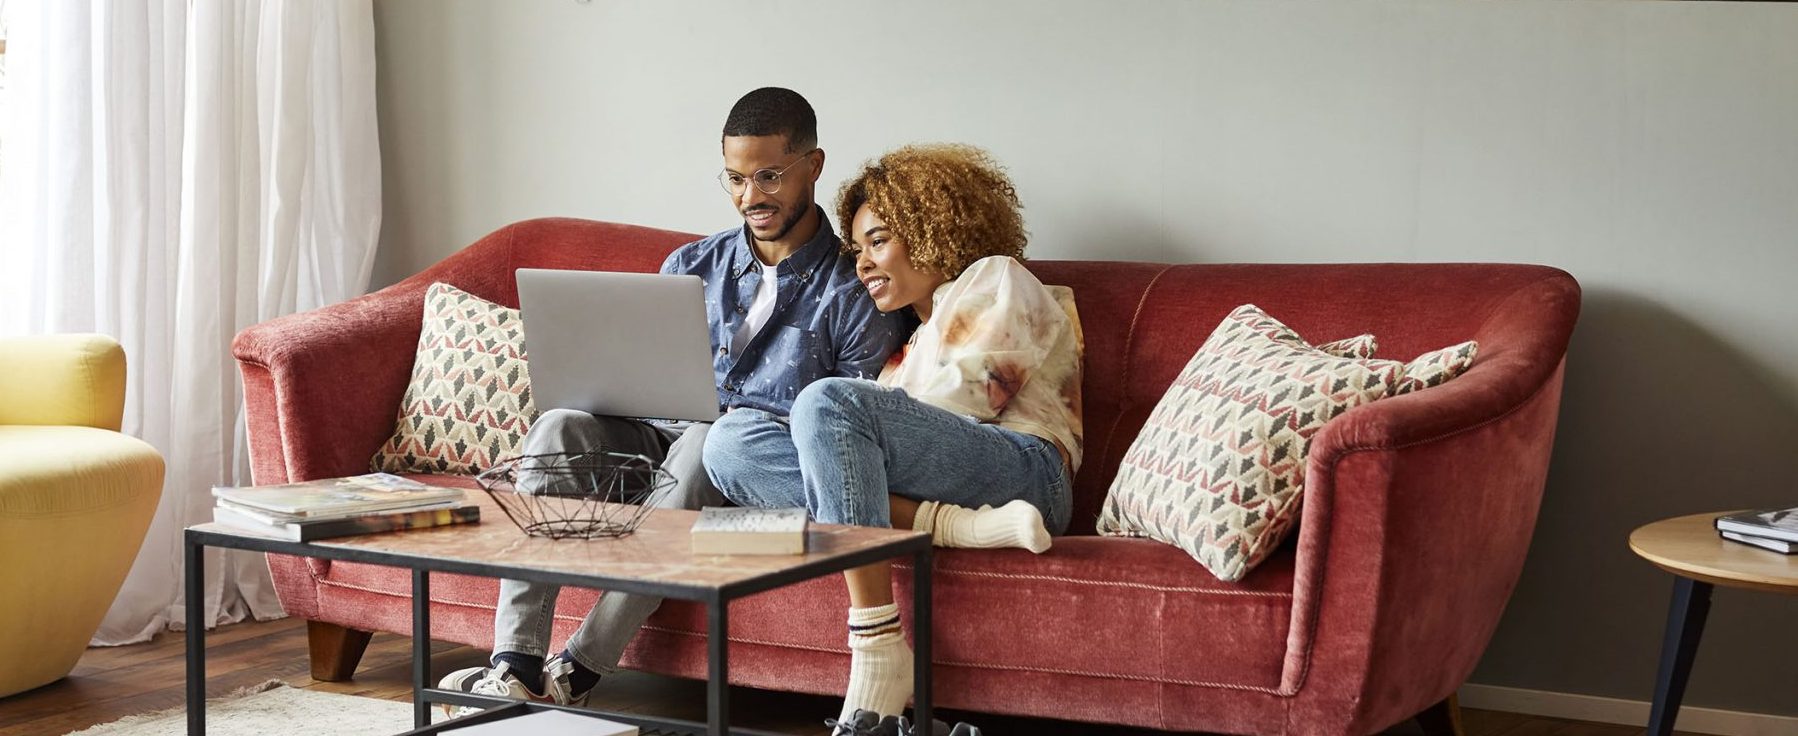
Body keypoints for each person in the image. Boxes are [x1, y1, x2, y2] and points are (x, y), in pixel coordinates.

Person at [438, 87, 910, 712]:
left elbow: (843, 425)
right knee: (559, 427)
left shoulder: (855, 288)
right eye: (736, 179)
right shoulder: (693, 262)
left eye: (769, 176)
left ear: (814, 165)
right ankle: (515, 664)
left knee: (705, 442)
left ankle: (578, 669)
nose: (751, 197)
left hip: (738, 470)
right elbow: (636, 380)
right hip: (652, 439)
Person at [705, 143, 1084, 729]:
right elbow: (855, 466)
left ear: (935, 231)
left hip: (1027, 471)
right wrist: (840, 441)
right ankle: (957, 527)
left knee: (825, 402)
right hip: (968, 494)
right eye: (857, 248)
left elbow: (968, 403)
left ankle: (879, 648)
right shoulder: (907, 345)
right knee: (728, 443)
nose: (861, 264)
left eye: (878, 241)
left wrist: (839, 428)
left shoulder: (998, 279)